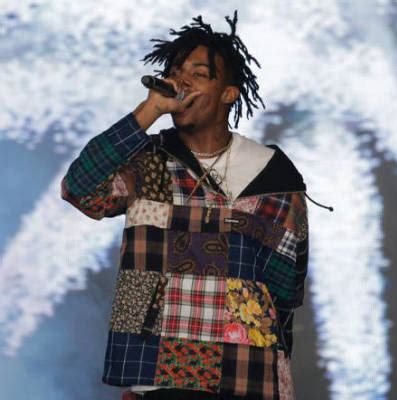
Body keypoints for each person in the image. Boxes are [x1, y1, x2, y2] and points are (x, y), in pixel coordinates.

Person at [61, 10, 333, 400]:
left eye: (199, 74)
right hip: (157, 372)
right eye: (175, 72)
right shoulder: (148, 161)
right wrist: (149, 111)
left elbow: (286, 289)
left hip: (244, 375)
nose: (181, 81)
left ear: (228, 93)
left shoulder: (272, 174)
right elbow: (79, 188)